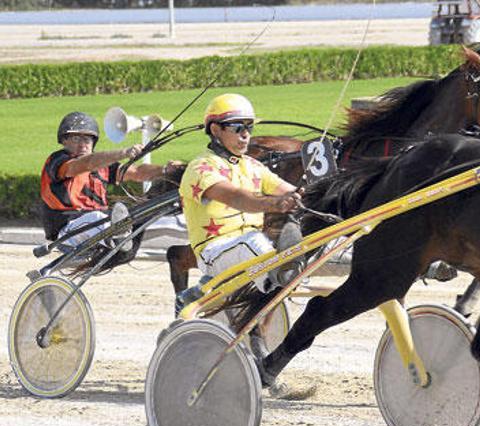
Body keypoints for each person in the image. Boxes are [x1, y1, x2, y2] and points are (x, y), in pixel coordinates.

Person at [177, 93, 306, 350]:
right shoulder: (200, 168)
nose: (246, 134)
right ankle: (281, 273)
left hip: (253, 256)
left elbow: (291, 190)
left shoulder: (253, 166)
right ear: (215, 130)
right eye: (238, 128)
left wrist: (317, 193)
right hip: (216, 253)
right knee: (257, 241)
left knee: (285, 244)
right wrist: (273, 204)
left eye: (249, 127)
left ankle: (279, 277)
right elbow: (236, 197)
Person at [40, 111, 176, 252]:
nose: (83, 145)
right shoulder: (58, 161)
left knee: (141, 214)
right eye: (76, 139)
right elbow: (86, 164)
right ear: (64, 141)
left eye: (87, 140)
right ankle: (118, 239)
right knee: (97, 217)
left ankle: (121, 242)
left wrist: (166, 170)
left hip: (98, 228)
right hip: (66, 231)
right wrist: (124, 153)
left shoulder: (102, 166)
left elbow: (137, 173)